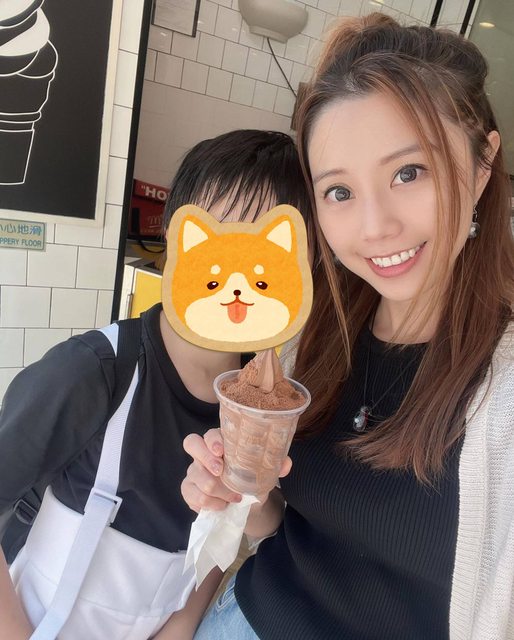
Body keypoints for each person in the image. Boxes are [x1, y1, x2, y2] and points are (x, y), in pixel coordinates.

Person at [181, 14, 514, 640]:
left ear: (482, 165)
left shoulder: (504, 396)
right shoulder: (311, 340)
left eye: (409, 173)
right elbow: (286, 530)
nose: (374, 227)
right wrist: (239, 490)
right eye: (339, 191)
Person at [0, 129, 312, 640]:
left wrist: (180, 629)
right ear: (175, 235)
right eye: (220, 236)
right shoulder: (94, 370)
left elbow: (223, 539)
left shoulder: (267, 404)